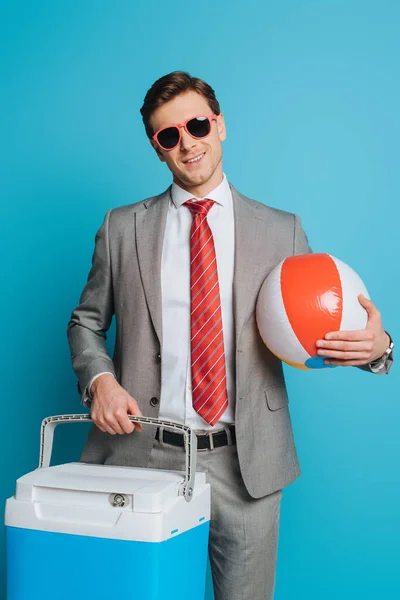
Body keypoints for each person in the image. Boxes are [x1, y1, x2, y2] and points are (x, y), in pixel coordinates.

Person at [67, 71, 394, 600]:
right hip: (139, 456)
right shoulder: (121, 226)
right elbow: (85, 321)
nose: (187, 143)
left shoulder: (282, 230)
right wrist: (99, 380)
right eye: (168, 135)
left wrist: (378, 350)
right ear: (157, 149)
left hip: (245, 464)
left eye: (197, 125)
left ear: (219, 126)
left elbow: (314, 330)